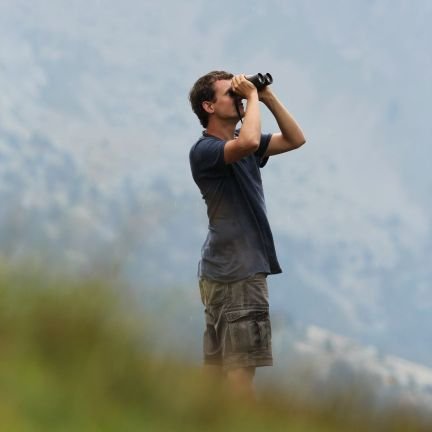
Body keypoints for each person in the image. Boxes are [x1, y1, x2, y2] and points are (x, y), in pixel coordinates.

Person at [188, 70, 306, 398]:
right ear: (209, 106)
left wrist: (266, 97)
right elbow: (250, 141)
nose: (239, 96)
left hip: (220, 270)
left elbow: (296, 138)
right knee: (241, 370)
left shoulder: (241, 145)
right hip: (240, 271)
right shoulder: (206, 151)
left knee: (216, 372)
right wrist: (253, 98)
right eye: (231, 93)